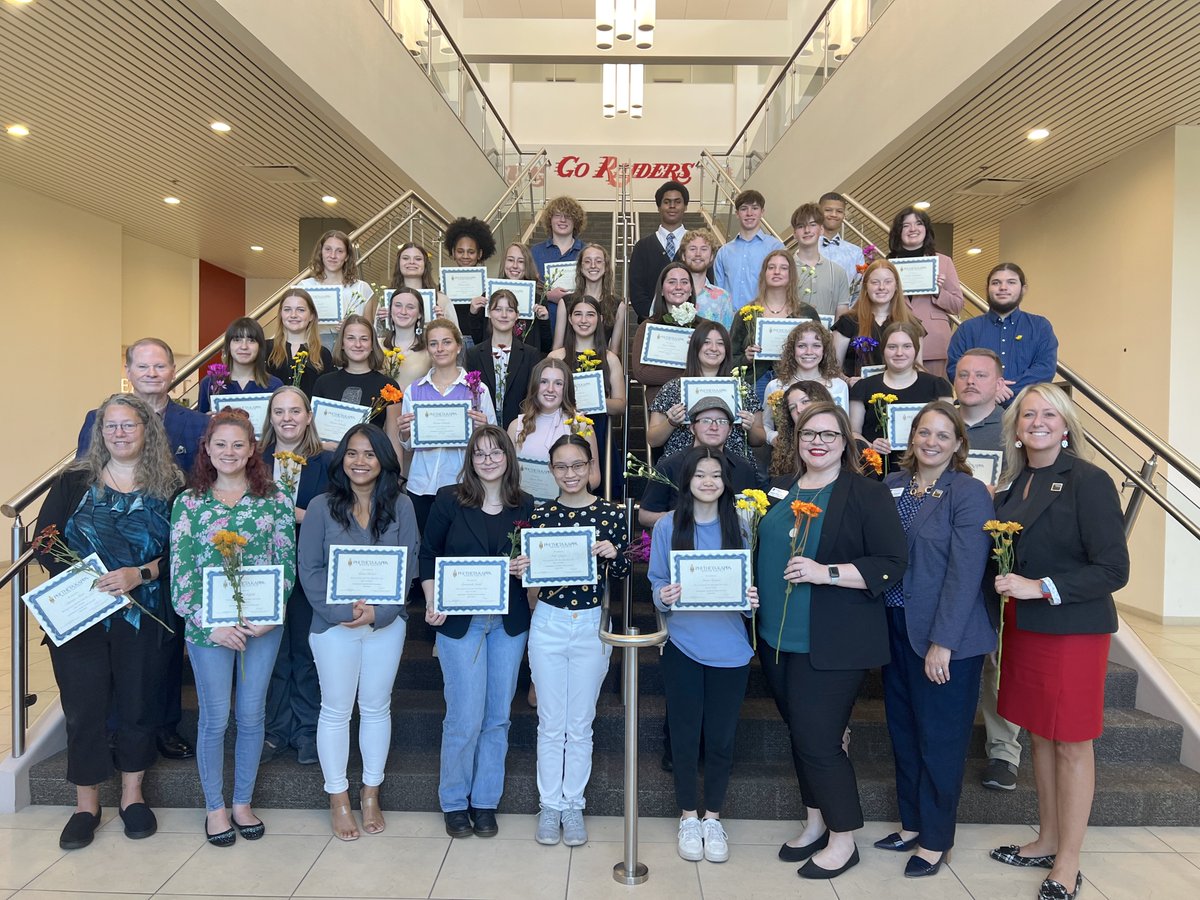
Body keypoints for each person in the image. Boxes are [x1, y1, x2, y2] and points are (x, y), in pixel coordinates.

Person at [987, 384, 1129, 900]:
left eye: (1050, 414)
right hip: (1025, 629)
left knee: (1071, 741)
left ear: (1066, 425)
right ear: (1016, 427)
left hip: (1072, 630)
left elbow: (1114, 569)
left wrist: (1039, 587)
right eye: (1029, 415)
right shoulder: (1012, 484)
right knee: (1041, 736)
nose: (1038, 422)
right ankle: (1047, 838)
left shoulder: (1088, 481)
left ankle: (1068, 862)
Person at [757, 402, 906, 880]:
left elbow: (891, 562)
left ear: (846, 442)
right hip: (776, 638)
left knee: (820, 741)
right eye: (807, 434)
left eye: (828, 434)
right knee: (802, 736)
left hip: (831, 642)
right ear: (795, 442)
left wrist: (829, 573)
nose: (817, 442)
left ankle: (844, 837)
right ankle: (815, 821)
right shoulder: (779, 490)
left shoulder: (866, 493)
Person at [36, 394, 183, 851]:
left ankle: (133, 797)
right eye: (111, 426)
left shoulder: (172, 487)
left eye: (129, 426)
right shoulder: (73, 482)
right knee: (84, 710)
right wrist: (82, 578)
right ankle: (86, 805)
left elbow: (182, 555)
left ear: (148, 431)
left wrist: (139, 574)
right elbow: (44, 541)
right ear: (100, 433)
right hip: (81, 616)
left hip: (145, 614)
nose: (119, 434)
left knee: (138, 705)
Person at [877, 402, 994, 877]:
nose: (931, 442)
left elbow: (967, 573)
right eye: (924, 432)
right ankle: (911, 822)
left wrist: (942, 642)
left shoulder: (967, 493)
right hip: (895, 628)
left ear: (959, 444)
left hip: (948, 639)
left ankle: (936, 838)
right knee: (904, 732)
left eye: (943, 435)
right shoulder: (890, 486)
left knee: (940, 740)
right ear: (912, 437)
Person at [169, 409, 295, 847]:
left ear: (252, 450)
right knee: (216, 716)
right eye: (220, 444)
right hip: (209, 631)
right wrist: (211, 624)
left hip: (262, 626)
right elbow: (180, 574)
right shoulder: (188, 503)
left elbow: (287, 565)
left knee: (252, 713)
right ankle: (215, 807)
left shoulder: (274, 500)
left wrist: (267, 617)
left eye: (238, 444)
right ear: (206, 448)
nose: (229, 452)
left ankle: (242, 802)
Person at [76, 337, 206, 761]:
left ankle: (165, 727)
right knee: (111, 654)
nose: (152, 374)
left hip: (163, 555)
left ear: (174, 371)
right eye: (143, 367)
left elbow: (199, 486)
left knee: (165, 649)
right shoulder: (99, 418)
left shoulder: (195, 422)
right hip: (108, 561)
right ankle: (118, 731)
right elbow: (85, 481)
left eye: (160, 366)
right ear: (128, 371)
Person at [298, 423, 419, 841]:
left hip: (385, 624)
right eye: (352, 453)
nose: (360, 461)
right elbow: (309, 568)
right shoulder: (319, 506)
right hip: (333, 626)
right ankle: (338, 797)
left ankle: (371, 793)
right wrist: (339, 611)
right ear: (341, 459)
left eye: (369, 453)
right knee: (334, 710)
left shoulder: (401, 505)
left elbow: (410, 565)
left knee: (375, 707)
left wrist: (378, 612)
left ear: (383, 459)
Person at [420, 426, 536, 839]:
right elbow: (429, 555)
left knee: (497, 717)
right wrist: (433, 601)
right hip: (459, 622)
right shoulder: (450, 500)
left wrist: (528, 568)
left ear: (509, 457)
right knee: (464, 717)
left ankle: (485, 801)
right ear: (470, 460)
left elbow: (534, 567)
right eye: (480, 454)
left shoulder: (525, 504)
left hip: (509, 623)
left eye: (496, 452)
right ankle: (454, 801)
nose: (488, 460)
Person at [649, 447, 760, 864]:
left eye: (716, 475)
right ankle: (688, 816)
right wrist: (664, 594)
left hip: (731, 650)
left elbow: (750, 596)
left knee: (720, 738)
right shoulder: (668, 526)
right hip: (683, 646)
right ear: (688, 481)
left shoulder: (744, 524)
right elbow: (658, 582)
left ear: (725, 482)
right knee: (683, 734)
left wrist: (751, 599)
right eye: (700, 475)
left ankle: (713, 817)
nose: (709, 481)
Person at [527, 435, 629, 848]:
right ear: (551, 471)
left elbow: (623, 573)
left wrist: (613, 555)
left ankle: (574, 804)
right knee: (551, 723)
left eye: (577, 465)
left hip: (591, 622)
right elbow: (531, 579)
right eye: (561, 466)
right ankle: (549, 806)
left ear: (590, 467)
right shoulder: (540, 515)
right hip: (548, 621)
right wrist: (524, 567)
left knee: (580, 723)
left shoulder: (611, 514)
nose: (570, 474)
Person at [952, 347, 1022, 790]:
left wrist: (1002, 496)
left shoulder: (1015, 428)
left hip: (998, 555)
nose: (971, 382)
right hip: (950, 556)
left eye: (981, 375)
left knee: (998, 655)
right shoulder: (941, 423)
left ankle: (1003, 751)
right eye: (963, 374)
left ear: (999, 383)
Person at [259, 387, 332, 766]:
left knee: (304, 652)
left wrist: (298, 515)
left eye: (295, 411)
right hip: (265, 569)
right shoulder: (253, 460)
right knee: (271, 652)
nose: (287, 418)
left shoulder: (327, 462)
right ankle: (274, 729)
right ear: (270, 418)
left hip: (310, 569)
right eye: (279, 412)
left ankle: (307, 730)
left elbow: (338, 515)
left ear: (308, 416)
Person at [398, 318, 497, 532]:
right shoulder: (414, 390)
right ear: (428, 349)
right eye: (433, 343)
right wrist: (404, 433)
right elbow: (408, 446)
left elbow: (494, 441)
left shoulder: (477, 389)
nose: (440, 349)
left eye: (447, 342)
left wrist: (485, 428)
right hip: (422, 485)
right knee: (426, 550)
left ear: (459, 346)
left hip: (465, 483)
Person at [639, 396, 769, 528]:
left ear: (730, 430)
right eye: (706, 421)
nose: (714, 427)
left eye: (722, 421)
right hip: (682, 542)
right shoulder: (670, 466)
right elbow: (645, 516)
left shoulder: (743, 468)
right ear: (692, 427)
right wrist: (686, 517)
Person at [946, 262, 1059, 407]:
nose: (1003, 288)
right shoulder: (967, 329)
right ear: (988, 289)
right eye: (996, 283)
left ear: (1023, 289)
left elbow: (1045, 368)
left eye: (1011, 282)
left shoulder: (1040, 326)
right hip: (977, 412)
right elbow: (954, 368)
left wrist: (1004, 391)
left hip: (1025, 408)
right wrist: (987, 391)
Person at [647, 322, 765, 460]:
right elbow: (653, 440)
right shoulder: (672, 388)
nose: (714, 348)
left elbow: (760, 440)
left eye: (720, 344)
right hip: (681, 469)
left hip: (734, 469)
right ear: (695, 347)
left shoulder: (742, 389)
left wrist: (750, 428)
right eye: (706, 342)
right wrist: (671, 422)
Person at [548, 294, 628, 492]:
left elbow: (621, 405)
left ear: (600, 319)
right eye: (578, 314)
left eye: (590, 315)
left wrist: (597, 400)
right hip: (561, 430)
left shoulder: (610, 358)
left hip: (599, 432)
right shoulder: (556, 357)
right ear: (569, 319)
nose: (584, 320)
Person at [850, 322, 954, 473]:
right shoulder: (863, 387)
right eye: (892, 347)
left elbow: (950, 431)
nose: (899, 353)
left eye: (907, 346)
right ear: (883, 350)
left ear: (915, 350)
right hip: (877, 471)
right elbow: (853, 433)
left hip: (926, 469)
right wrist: (870, 445)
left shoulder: (937, 386)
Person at [729, 250, 822, 401]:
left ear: (791, 274)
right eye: (771, 267)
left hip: (796, 381)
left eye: (783, 268)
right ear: (764, 273)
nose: (777, 272)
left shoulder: (806, 313)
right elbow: (729, 358)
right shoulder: (746, 314)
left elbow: (822, 352)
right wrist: (745, 358)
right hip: (755, 380)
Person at [887, 207, 964, 378]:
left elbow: (957, 305)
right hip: (896, 342)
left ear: (926, 229)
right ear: (898, 232)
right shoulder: (888, 263)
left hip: (934, 344)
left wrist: (938, 292)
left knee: (935, 399)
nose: (913, 229)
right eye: (906, 225)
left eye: (918, 223)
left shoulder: (943, 261)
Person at [311, 315, 403, 451]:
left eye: (364, 339)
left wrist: (397, 472)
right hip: (328, 463)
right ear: (342, 343)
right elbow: (312, 437)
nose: (358, 344)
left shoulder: (389, 387)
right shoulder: (323, 382)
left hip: (370, 465)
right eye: (351, 338)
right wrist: (324, 446)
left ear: (372, 345)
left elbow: (394, 441)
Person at [508, 357, 600, 492]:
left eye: (558, 383)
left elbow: (594, 477)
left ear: (566, 388)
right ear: (534, 385)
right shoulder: (516, 426)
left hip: (567, 507)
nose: (550, 389)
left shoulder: (581, 425)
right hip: (525, 508)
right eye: (544, 382)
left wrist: (567, 490)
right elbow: (507, 475)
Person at [464, 288, 545, 428]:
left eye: (509, 310)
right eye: (498, 309)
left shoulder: (531, 354)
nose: (504, 315)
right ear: (489, 313)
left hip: (521, 430)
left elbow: (533, 397)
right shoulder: (474, 354)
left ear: (517, 315)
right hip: (483, 430)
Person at [832, 259, 924, 379]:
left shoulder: (912, 324)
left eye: (888, 282)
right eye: (875, 282)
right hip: (858, 395)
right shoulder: (847, 322)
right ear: (865, 287)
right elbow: (833, 368)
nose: (881, 287)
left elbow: (918, 368)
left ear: (896, 285)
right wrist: (848, 381)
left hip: (901, 395)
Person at [762, 321, 849, 447]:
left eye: (816, 345)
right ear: (792, 350)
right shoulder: (775, 386)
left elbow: (844, 428)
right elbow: (765, 425)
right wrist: (773, 437)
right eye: (802, 346)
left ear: (824, 351)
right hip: (787, 456)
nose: (809, 351)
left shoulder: (839, 386)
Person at [629, 261, 706, 404]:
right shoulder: (648, 326)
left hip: (699, 400)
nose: (678, 287)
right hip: (662, 403)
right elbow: (642, 372)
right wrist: (691, 374)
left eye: (684, 282)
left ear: (690, 290)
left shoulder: (705, 328)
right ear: (662, 290)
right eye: (672, 282)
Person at [299, 229, 373, 349]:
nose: (333, 256)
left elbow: (369, 331)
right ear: (321, 252)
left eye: (339, 251)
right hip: (312, 349)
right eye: (328, 249)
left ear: (347, 256)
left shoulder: (362, 289)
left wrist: (350, 327)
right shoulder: (305, 287)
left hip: (351, 352)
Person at [553, 242, 629, 355]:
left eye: (598, 261)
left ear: (606, 267)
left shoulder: (618, 305)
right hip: (569, 366)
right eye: (587, 261)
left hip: (600, 367)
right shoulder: (565, 302)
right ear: (580, 267)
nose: (593, 265)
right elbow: (557, 347)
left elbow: (614, 351)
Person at [713, 189, 785, 308]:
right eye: (744, 208)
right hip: (730, 321)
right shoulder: (724, 252)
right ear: (737, 214)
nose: (749, 213)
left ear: (762, 212)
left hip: (763, 318)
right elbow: (719, 292)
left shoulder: (775, 248)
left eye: (755, 208)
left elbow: (783, 287)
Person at [197, 317, 283, 414]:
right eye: (237, 340)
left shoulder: (274, 385)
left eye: (251, 340)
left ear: (260, 347)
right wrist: (206, 421)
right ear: (228, 346)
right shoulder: (210, 383)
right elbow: (198, 427)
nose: (244, 346)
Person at [629, 180, 689, 319]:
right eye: (667, 202)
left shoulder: (696, 245)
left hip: (692, 327)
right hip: (652, 326)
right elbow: (637, 291)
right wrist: (656, 319)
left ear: (685, 206)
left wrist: (689, 318)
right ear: (659, 207)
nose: (672, 206)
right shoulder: (642, 247)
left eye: (677, 202)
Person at [530, 196, 587, 334]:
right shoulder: (535, 252)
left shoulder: (586, 252)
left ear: (576, 221)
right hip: (542, 327)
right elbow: (525, 289)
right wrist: (548, 296)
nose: (562, 220)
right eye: (557, 215)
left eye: (568, 216)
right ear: (550, 220)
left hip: (578, 328)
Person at [265, 288, 334, 397]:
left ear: (311, 315)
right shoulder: (265, 348)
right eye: (287, 309)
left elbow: (327, 395)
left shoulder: (323, 354)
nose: (293, 315)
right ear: (281, 314)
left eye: (300, 310)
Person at [790, 202, 851, 318]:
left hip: (826, 335)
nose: (807, 230)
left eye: (812, 225)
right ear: (794, 233)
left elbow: (841, 316)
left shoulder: (838, 272)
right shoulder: (785, 269)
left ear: (821, 229)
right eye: (801, 226)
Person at [444, 217, 497, 347]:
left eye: (471, 252)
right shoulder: (444, 286)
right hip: (452, 342)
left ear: (479, 254)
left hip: (481, 342)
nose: (465, 256)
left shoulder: (489, 287)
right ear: (453, 253)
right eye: (460, 251)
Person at [388, 241, 461, 333]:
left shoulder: (441, 300)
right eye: (406, 258)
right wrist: (382, 322)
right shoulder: (387, 300)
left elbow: (458, 338)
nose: (411, 262)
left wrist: (443, 323)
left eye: (418, 259)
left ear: (425, 264)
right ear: (399, 264)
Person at [767, 382, 835, 478]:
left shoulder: (844, 439)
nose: (799, 410)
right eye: (792, 407)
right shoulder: (786, 449)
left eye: (805, 401)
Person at [497, 241, 553, 352]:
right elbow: (480, 339)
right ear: (504, 262)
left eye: (521, 261)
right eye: (510, 260)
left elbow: (546, 345)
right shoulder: (491, 294)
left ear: (527, 265)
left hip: (528, 363)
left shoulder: (538, 298)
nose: (515, 266)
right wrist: (473, 313)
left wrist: (544, 321)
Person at [380, 285, 435, 391]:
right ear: (390, 310)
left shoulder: (429, 349)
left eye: (410, 307)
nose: (403, 311)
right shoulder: (377, 345)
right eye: (398, 305)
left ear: (420, 314)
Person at [682, 228, 734, 330]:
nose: (698, 254)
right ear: (683, 255)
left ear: (711, 256)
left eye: (704, 249)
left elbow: (727, 338)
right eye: (692, 249)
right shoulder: (670, 292)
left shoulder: (723, 298)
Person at [816, 192, 864, 289]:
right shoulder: (807, 247)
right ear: (818, 213)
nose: (834, 214)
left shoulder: (855, 252)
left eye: (839, 211)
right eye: (828, 210)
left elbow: (859, 288)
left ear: (844, 215)